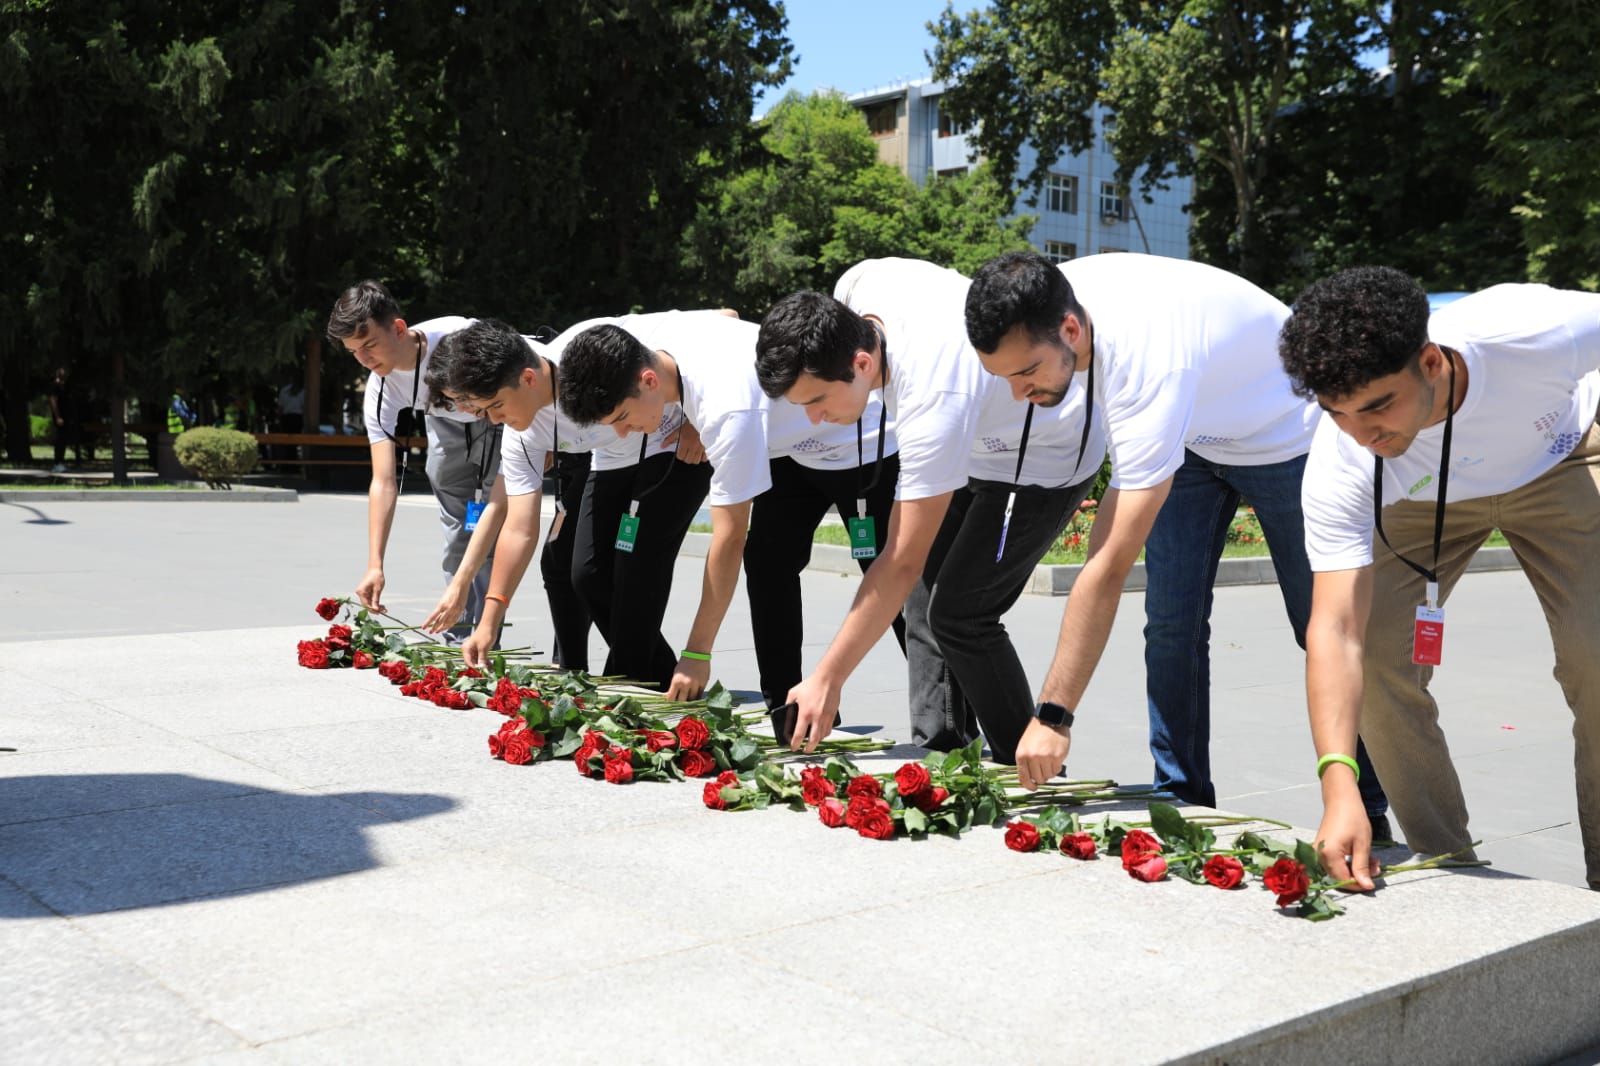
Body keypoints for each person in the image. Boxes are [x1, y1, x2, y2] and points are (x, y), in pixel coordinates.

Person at [964, 250, 1390, 833]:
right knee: (1171, 623)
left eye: (1027, 373)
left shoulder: (1147, 358)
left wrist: (1053, 717)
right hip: (1196, 437)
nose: (1019, 393)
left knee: (1319, 625)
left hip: (1288, 437)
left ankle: (1364, 810)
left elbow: (1106, 565)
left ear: (1070, 329)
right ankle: (1183, 793)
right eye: (1005, 377)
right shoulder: (1050, 298)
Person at [1278, 266, 1600, 891]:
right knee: (1374, 654)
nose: (1361, 433)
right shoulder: (1349, 454)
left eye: (1377, 406)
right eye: (1336, 413)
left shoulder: (1533, 330)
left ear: (1430, 362)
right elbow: (1335, 629)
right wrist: (1338, 780)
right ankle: (1450, 866)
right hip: (1425, 495)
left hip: (1562, 458)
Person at [755, 258, 1102, 762]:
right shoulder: (859, 285)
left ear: (861, 363)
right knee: (921, 603)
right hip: (972, 434)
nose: (812, 418)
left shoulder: (932, 397)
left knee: (963, 612)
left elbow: (899, 559)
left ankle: (1025, 766)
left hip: (1046, 452)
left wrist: (827, 678)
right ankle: (941, 750)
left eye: (817, 399)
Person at [558, 310, 904, 706]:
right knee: (768, 565)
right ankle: (787, 706)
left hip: (859, 441)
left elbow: (728, 537)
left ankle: (950, 726)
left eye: (622, 417)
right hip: (789, 449)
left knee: (894, 578)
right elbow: (726, 316)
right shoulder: (658, 338)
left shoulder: (728, 411)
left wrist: (696, 653)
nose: (621, 432)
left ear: (648, 380)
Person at [421, 318, 679, 673]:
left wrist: (694, 419)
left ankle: (639, 676)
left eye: (494, 406)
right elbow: (518, 527)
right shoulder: (521, 431)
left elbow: (696, 335)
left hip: (671, 448)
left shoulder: (587, 351)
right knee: (583, 573)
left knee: (632, 567)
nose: (493, 421)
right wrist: (487, 622)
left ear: (527, 379)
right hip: (609, 461)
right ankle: (630, 670)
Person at [326, 280, 499, 641]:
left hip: (496, 416)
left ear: (399, 329)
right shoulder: (380, 387)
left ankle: (484, 640)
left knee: (487, 528)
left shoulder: (460, 338)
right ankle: (460, 639)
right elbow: (383, 481)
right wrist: (376, 564)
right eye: (354, 352)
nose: (365, 360)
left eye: (370, 345)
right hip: (444, 422)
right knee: (458, 534)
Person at [47, 367, 82, 472]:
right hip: (59, 417)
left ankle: (61, 462)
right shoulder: (55, 386)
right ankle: (57, 463)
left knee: (63, 440)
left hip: (66, 417)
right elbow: (53, 401)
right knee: (59, 440)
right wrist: (58, 416)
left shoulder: (64, 387)